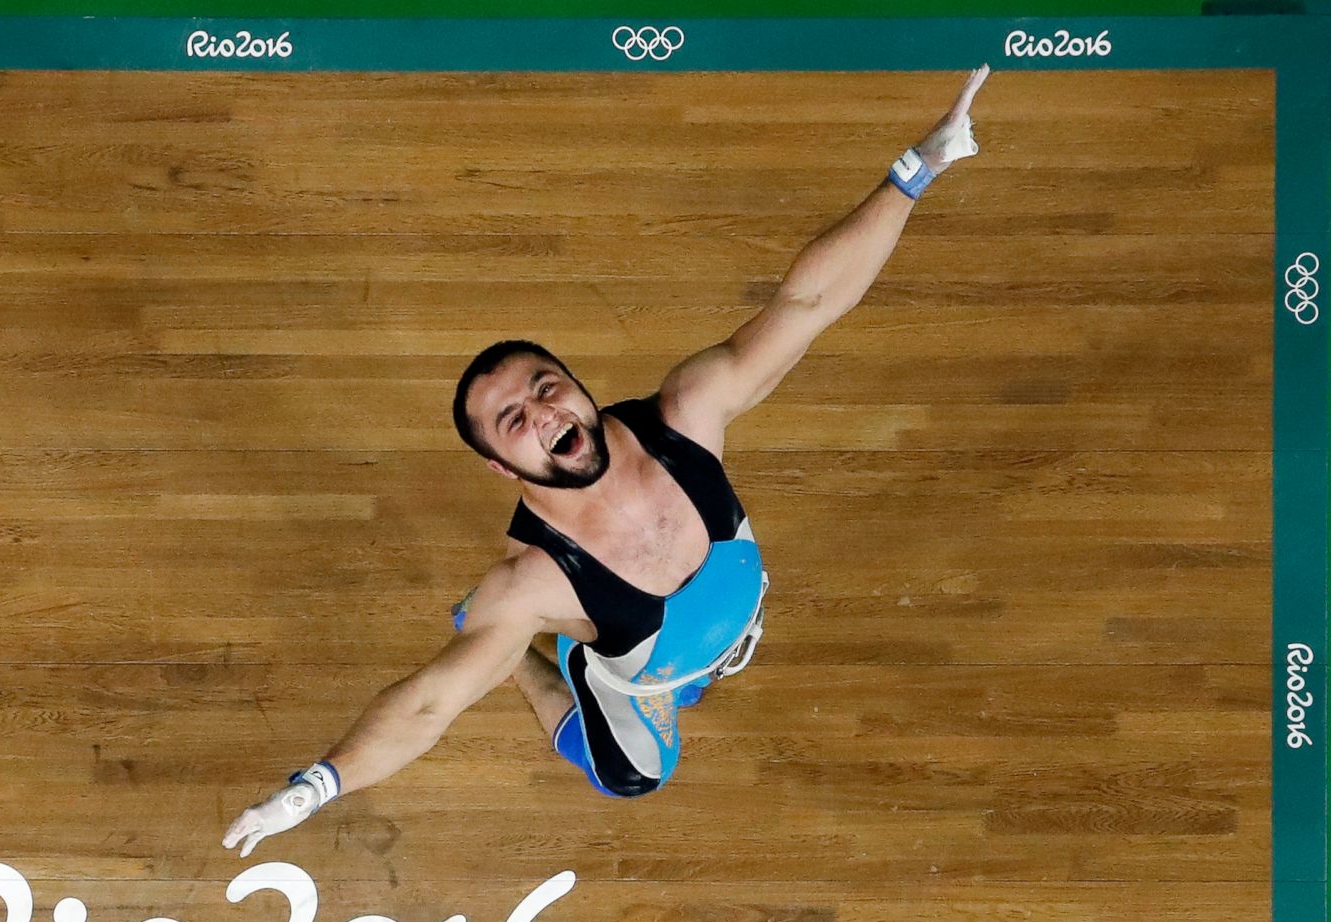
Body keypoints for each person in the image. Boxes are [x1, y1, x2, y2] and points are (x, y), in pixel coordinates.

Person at [223, 65, 991, 857]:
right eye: (514, 421)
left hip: (702, 637)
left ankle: (680, 673)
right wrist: (317, 786)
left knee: (683, 673)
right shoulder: (532, 583)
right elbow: (428, 705)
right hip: (629, 667)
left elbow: (809, 304)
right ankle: (532, 660)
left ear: (580, 387)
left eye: (547, 388)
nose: (544, 413)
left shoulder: (688, 413)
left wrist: (916, 170)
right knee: (632, 775)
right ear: (501, 466)